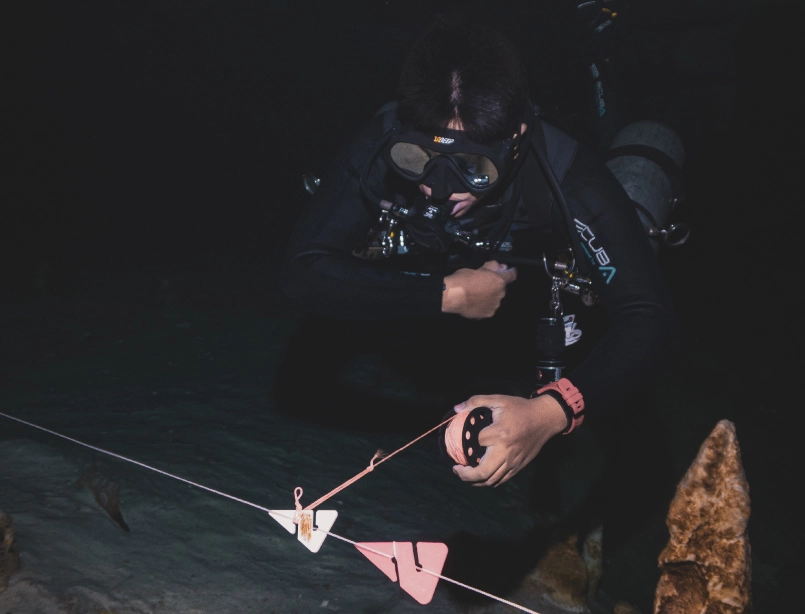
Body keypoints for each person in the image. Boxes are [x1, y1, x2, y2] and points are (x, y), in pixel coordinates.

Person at [280, 17, 678, 496]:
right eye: (417, 158)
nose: (441, 189)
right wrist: (446, 294)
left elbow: (648, 316)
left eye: (473, 168)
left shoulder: (570, 179)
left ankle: (599, 47)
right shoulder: (377, 142)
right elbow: (303, 271)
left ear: (515, 141)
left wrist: (551, 411)